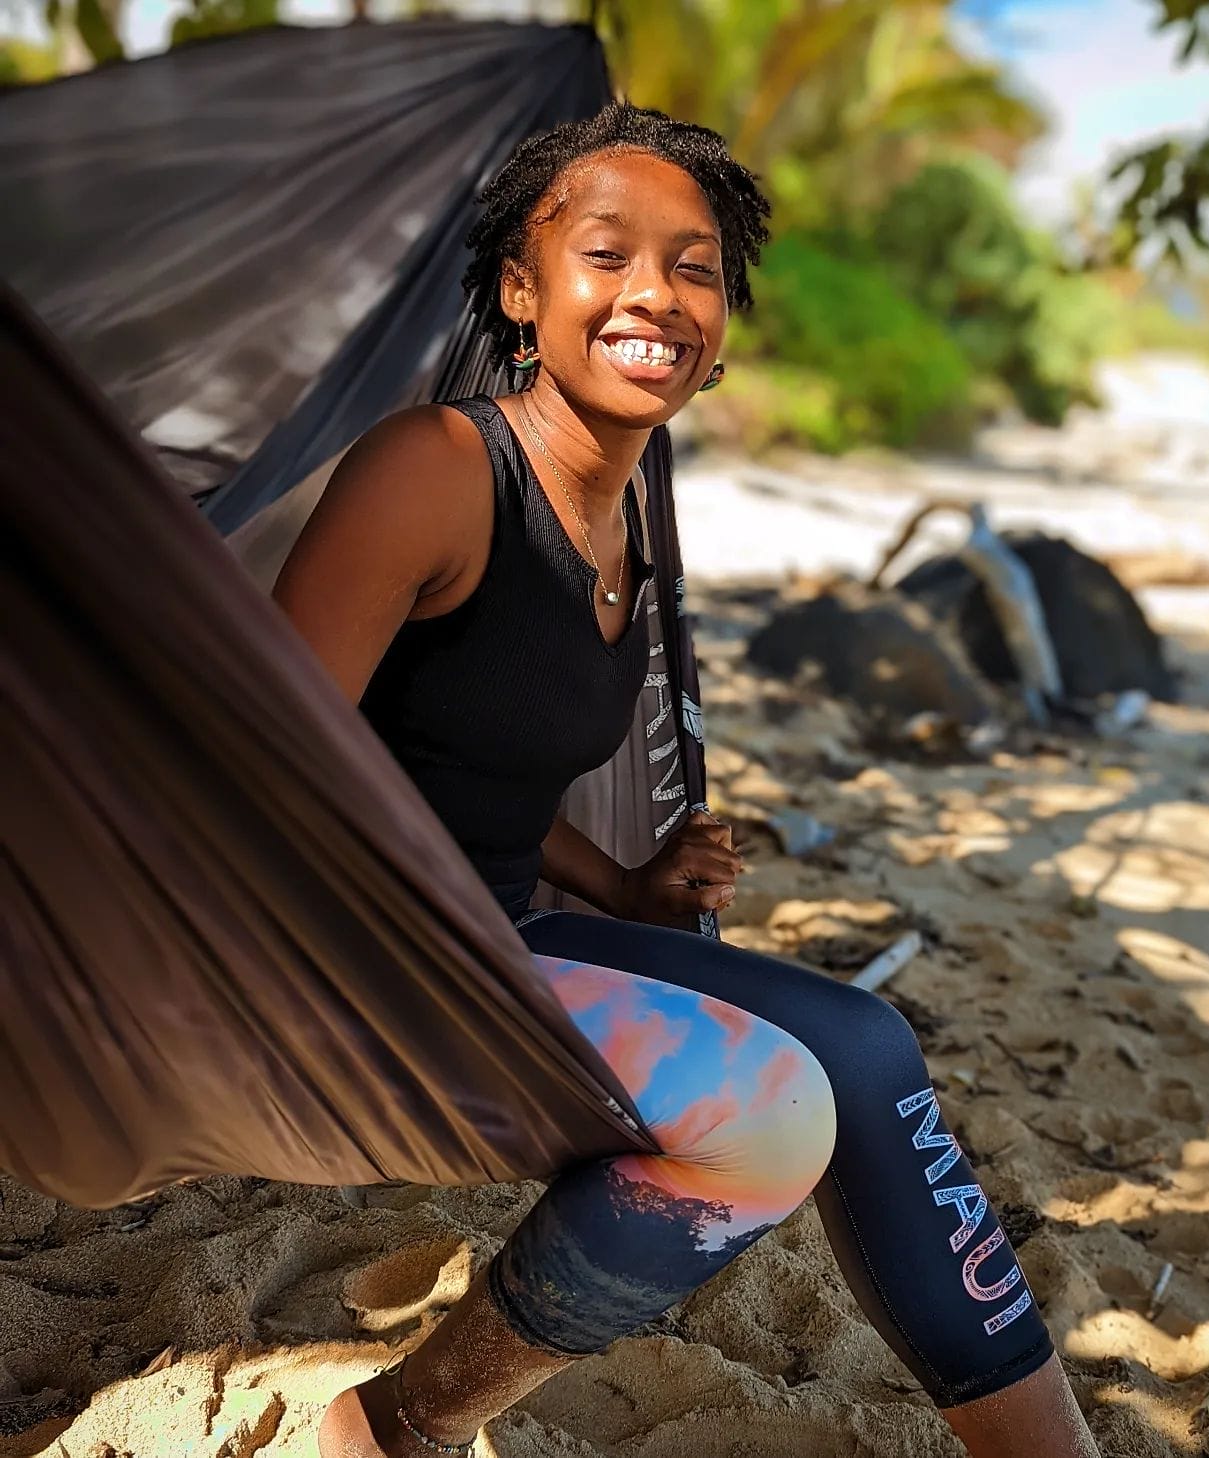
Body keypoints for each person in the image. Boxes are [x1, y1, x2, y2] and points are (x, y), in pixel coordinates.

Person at [277, 103, 1100, 1458]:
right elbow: (271, 758)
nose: (656, 291)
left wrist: (629, 882)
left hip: (508, 929)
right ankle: (398, 1425)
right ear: (520, 292)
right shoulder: (435, 472)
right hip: (376, 969)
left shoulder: (626, 504)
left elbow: (461, 761)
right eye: (608, 255)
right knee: (770, 1117)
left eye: (697, 265)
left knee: (870, 1047)